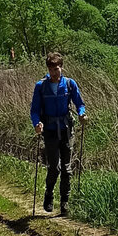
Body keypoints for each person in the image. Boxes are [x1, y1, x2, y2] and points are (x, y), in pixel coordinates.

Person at [29, 51, 86, 216]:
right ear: (48, 69)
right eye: (52, 69)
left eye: (58, 68)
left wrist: (82, 113)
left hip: (67, 129)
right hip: (50, 131)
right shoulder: (41, 86)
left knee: (67, 168)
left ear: (62, 67)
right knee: (54, 167)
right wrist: (36, 124)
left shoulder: (69, 84)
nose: (55, 72)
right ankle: (49, 194)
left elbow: (79, 103)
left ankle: (64, 202)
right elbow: (34, 110)